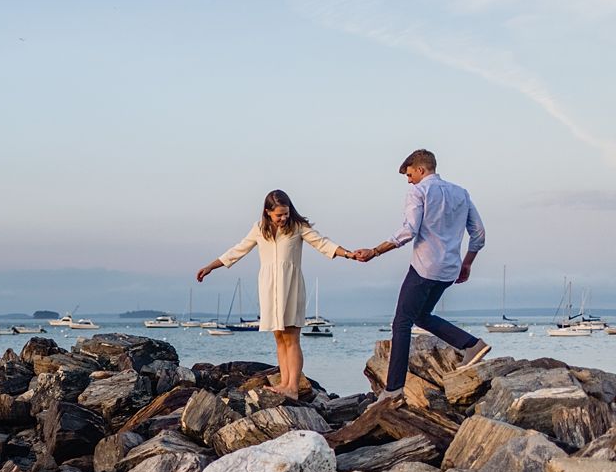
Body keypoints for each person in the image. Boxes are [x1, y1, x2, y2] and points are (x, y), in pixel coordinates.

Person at [353, 149, 490, 406]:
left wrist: (375, 251)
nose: (408, 180)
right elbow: (479, 235)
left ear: (420, 170)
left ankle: (393, 391)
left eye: (409, 174)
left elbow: (409, 230)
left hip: (424, 267)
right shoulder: (461, 193)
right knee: (421, 316)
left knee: (401, 323)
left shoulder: (419, 191)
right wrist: (467, 264)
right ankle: (472, 345)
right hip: (448, 270)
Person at [197, 190, 354, 400]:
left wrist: (349, 254)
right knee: (279, 337)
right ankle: (284, 383)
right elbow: (237, 250)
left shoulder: (298, 227)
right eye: (279, 214)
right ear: (268, 212)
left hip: (291, 285)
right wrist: (210, 267)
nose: (283, 218)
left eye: (286, 213)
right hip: (269, 287)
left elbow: (322, 243)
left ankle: (293, 388)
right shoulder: (259, 229)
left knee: (292, 338)